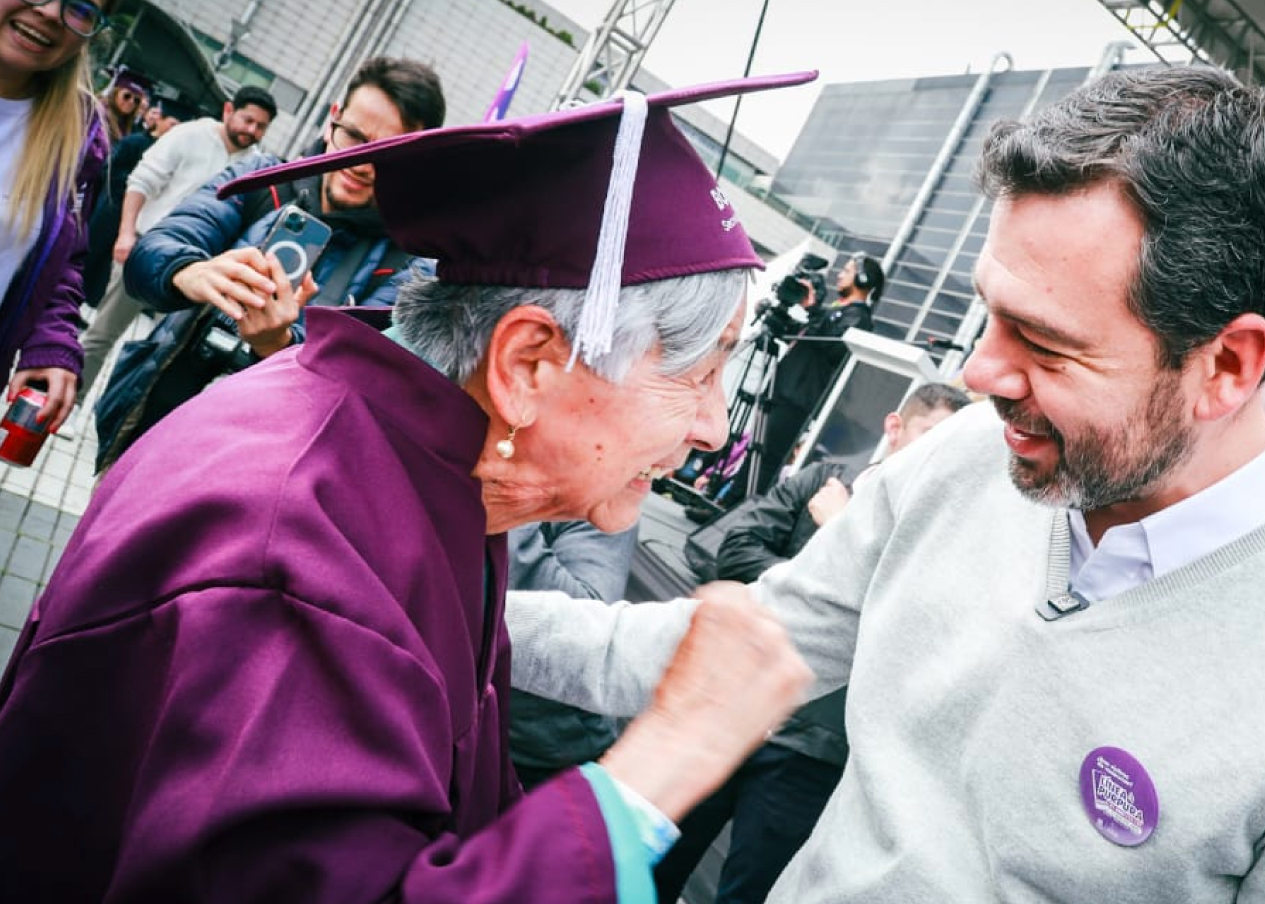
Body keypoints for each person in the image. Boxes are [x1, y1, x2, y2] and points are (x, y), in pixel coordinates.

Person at [508, 66, 1265, 902]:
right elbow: (704, 651)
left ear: (1226, 366)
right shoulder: (968, 456)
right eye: (990, 314)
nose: (979, 374)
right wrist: (407, 604)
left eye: (1046, 343)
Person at [0, 71, 819, 901]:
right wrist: (670, 755)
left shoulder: (412, 465)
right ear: (527, 366)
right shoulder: (299, 551)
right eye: (701, 367)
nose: (714, 427)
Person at [656, 382, 970, 904]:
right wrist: (818, 587)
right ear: (895, 428)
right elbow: (734, 547)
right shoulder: (825, 479)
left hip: (813, 748)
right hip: (730, 710)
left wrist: (837, 533)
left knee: (751, 889)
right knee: (659, 859)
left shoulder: (941, 539)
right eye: (929, 436)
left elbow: (896, 623)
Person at [93, 57, 440, 470]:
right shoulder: (260, 180)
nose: (362, 164)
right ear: (333, 119)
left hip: (262, 480)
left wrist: (276, 347)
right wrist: (190, 271)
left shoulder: (410, 266)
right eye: (354, 137)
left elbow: (364, 397)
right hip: (146, 433)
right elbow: (152, 254)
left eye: (387, 153)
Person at [76, 85, 275, 404]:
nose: (251, 130)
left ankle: (115, 412)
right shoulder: (189, 135)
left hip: (200, 271)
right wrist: (127, 234)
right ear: (228, 111)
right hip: (146, 250)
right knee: (103, 333)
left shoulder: (256, 164)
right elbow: (141, 181)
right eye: (247, 120)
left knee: (160, 351)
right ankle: (74, 398)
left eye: (260, 126)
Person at [0, 0, 113, 438]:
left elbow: (61, 258)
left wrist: (50, 342)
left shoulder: (81, 131)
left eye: (80, 7)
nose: (49, 12)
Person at [506, 519, 640, 789]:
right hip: (451, 716)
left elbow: (579, 628)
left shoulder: (602, 488)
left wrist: (496, 509)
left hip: (539, 748)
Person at [755, 252, 881, 493]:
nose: (840, 275)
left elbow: (832, 345)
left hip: (799, 397)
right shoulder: (838, 311)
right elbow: (808, 338)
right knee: (757, 446)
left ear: (863, 280)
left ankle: (735, 507)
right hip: (784, 386)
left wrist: (814, 309)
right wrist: (780, 319)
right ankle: (726, 498)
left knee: (768, 455)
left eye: (847, 271)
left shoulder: (859, 318)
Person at [83, 97, 185, 308]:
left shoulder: (172, 154)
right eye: (173, 124)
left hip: (140, 219)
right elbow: (109, 171)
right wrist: (134, 186)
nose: (175, 130)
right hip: (113, 210)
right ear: (160, 120)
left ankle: (87, 305)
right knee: (91, 256)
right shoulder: (135, 143)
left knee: (107, 269)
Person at [98, 64, 148, 142]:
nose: (131, 101)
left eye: (137, 100)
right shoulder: (98, 114)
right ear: (115, 93)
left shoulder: (129, 127)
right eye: (127, 96)